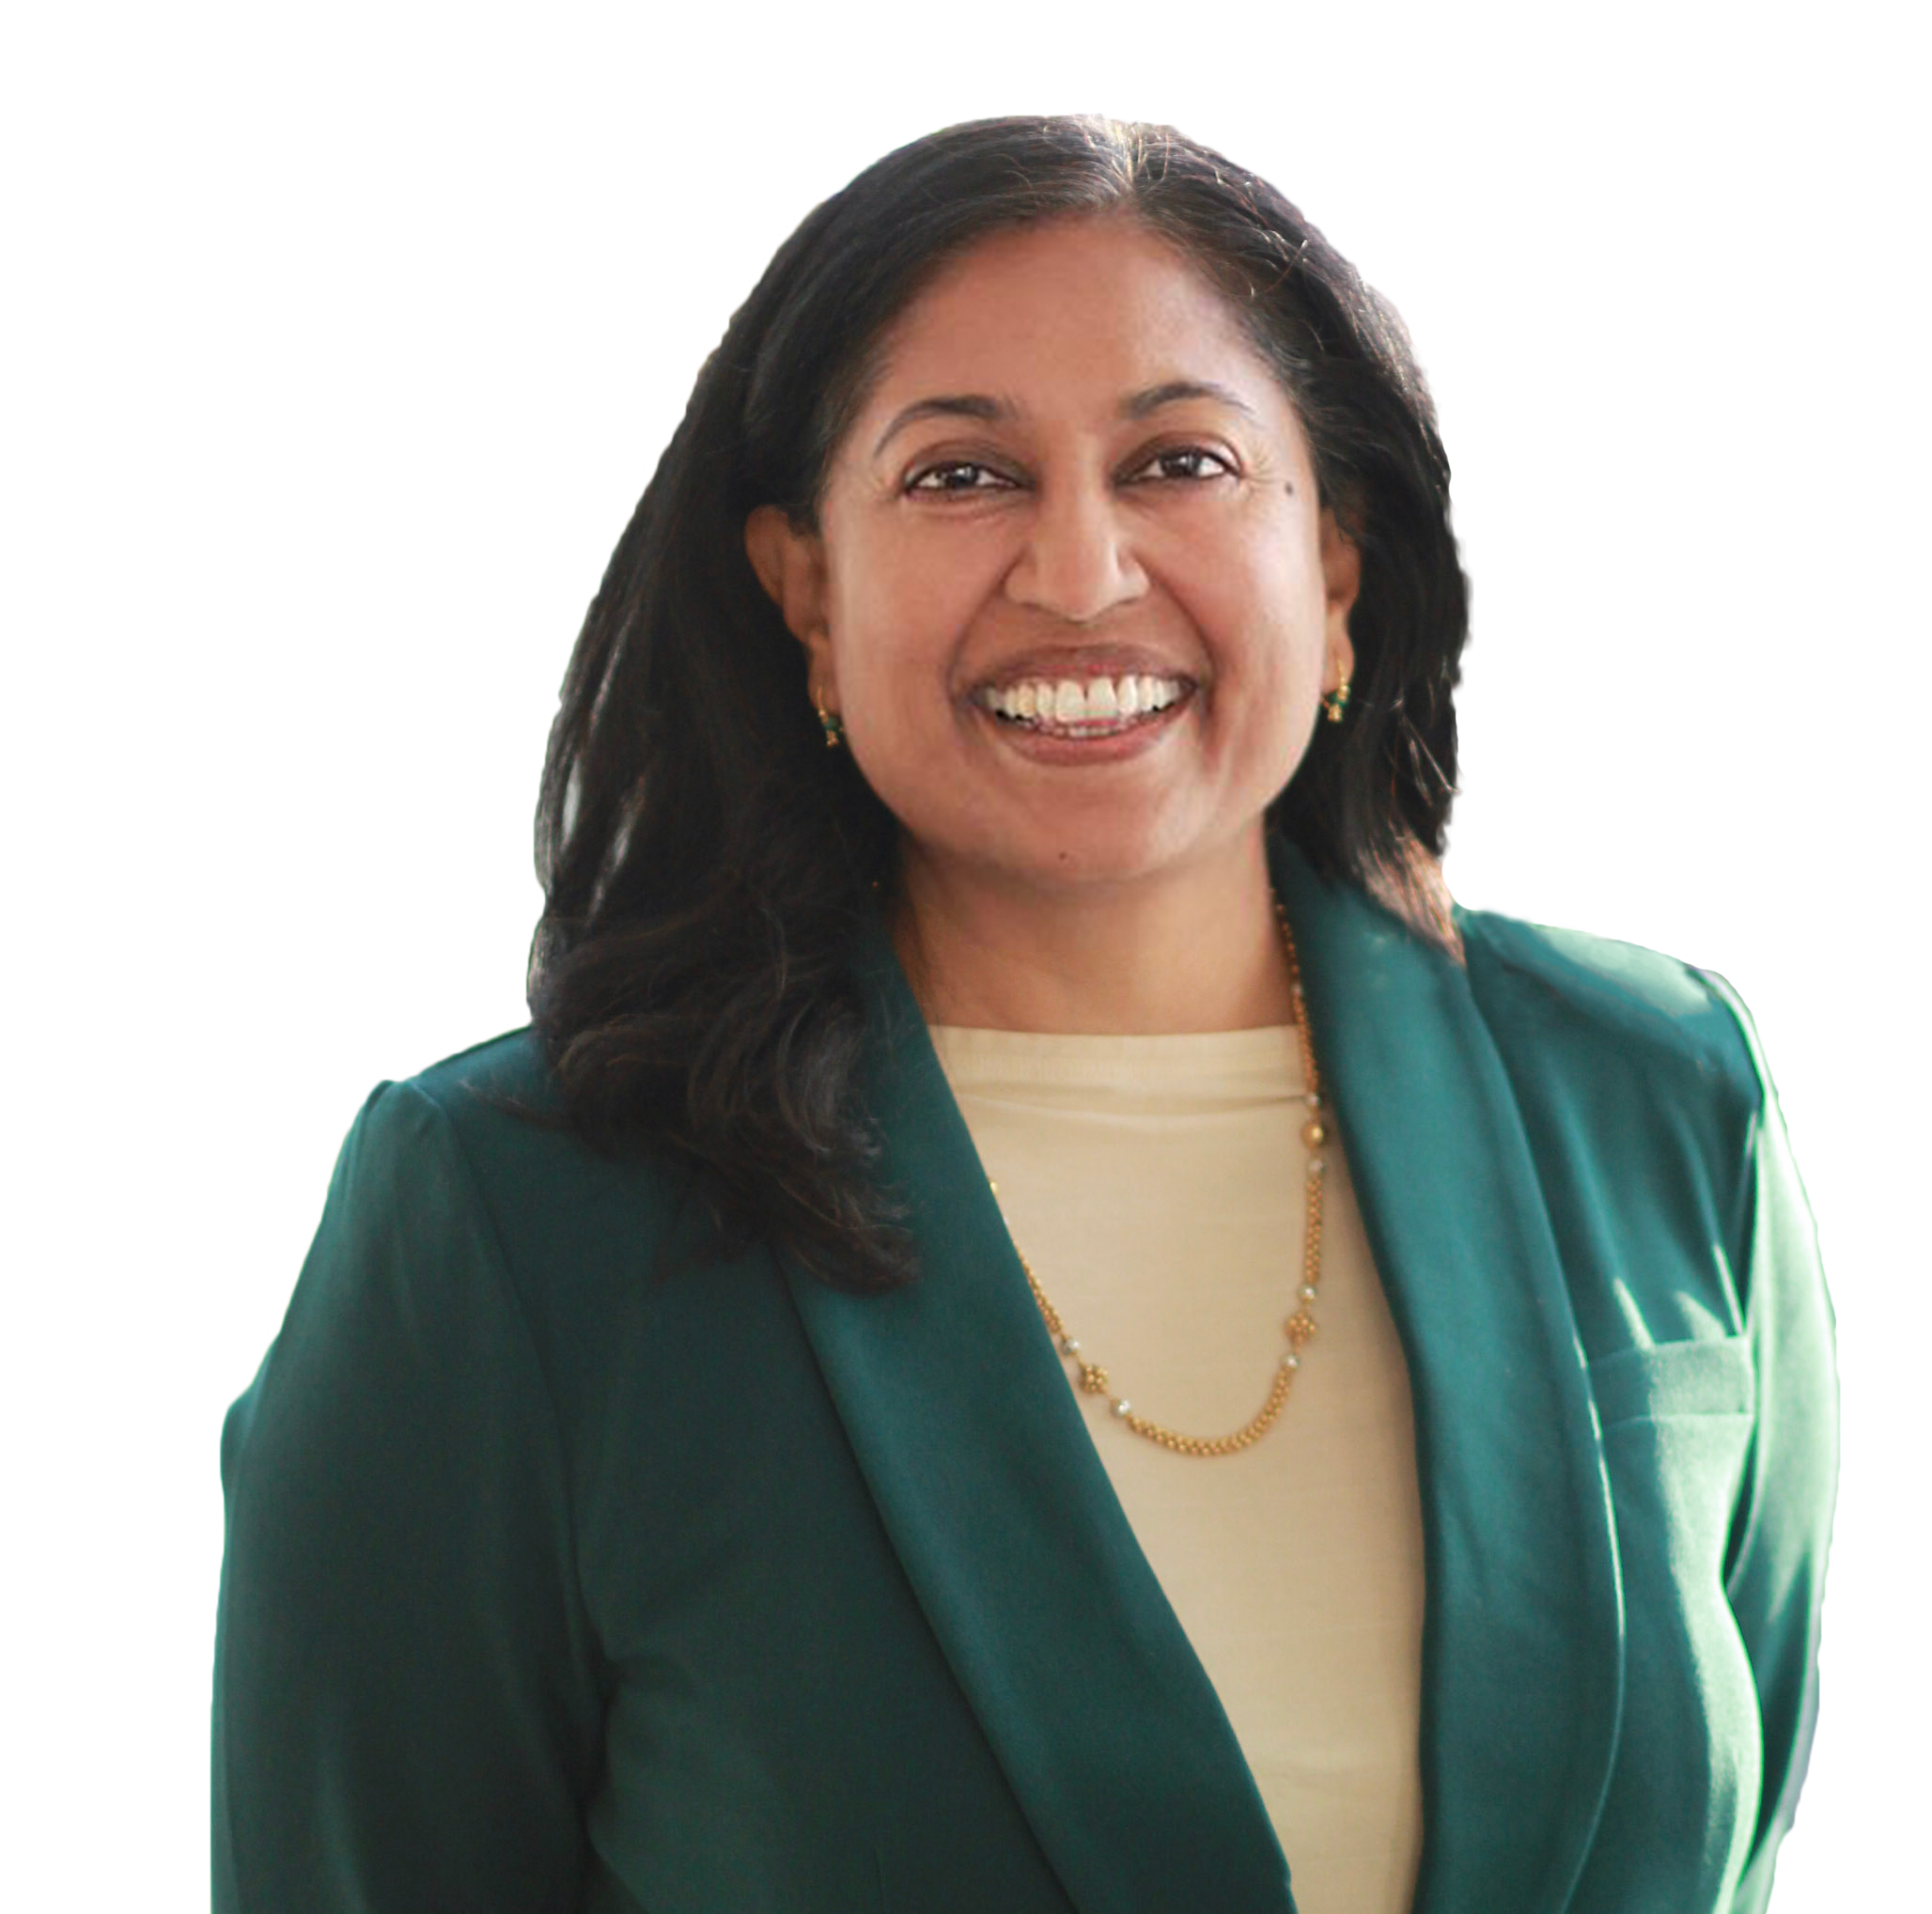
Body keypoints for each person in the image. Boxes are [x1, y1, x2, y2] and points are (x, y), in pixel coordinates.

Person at [210, 114, 1838, 1914]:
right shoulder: (510, 1224)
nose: (1079, 571)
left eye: (1181, 461)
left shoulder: (1657, 1096)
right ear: (805, 594)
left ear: (1339, 567)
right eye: (960, 476)